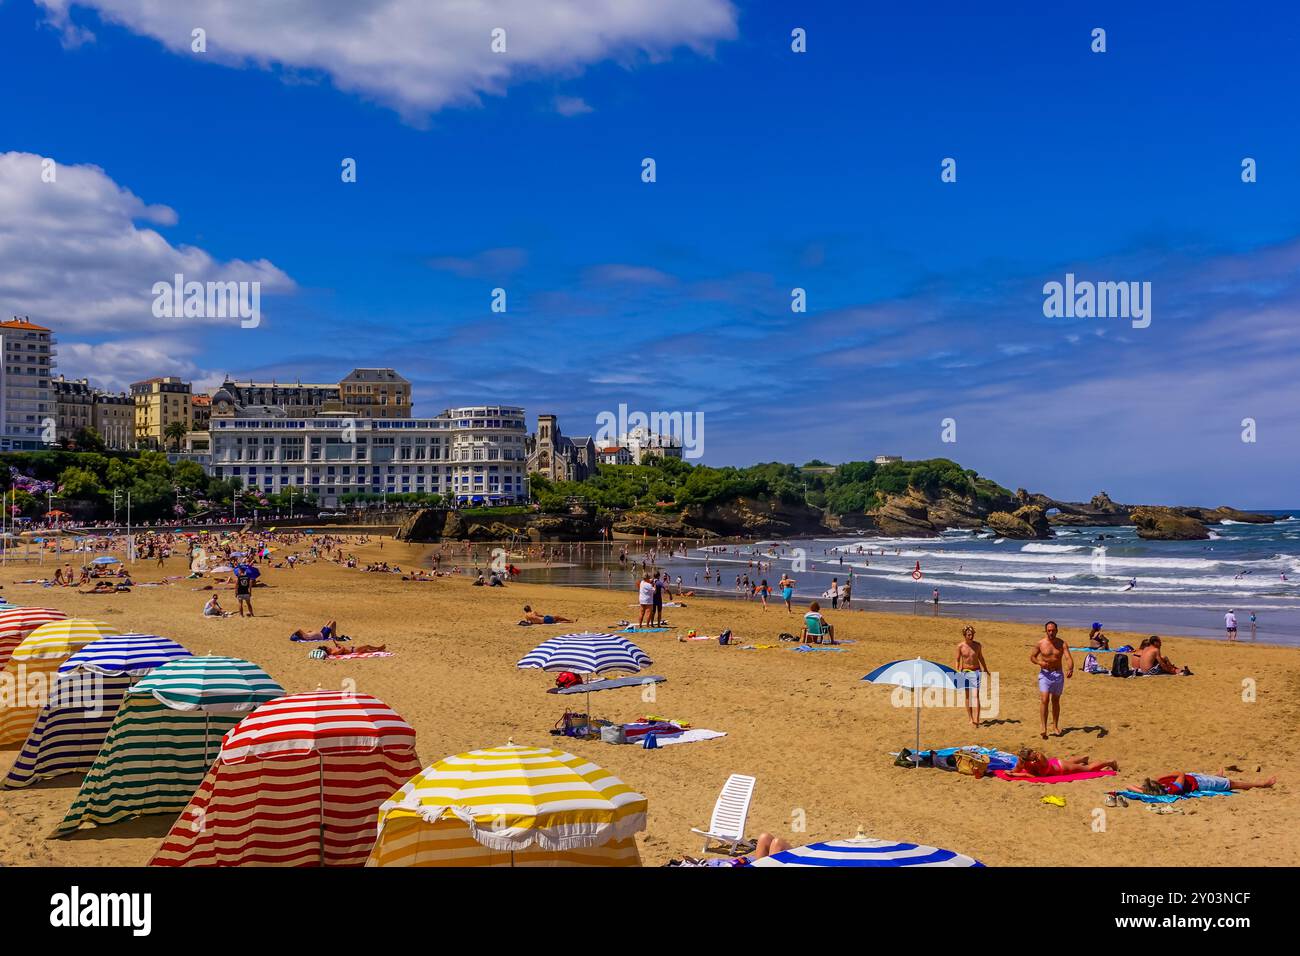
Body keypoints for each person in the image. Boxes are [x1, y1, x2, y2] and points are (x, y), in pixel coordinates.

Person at [1029, 620, 1073, 739]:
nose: (1051, 632)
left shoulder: (1062, 643)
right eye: (1049, 630)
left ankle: (1055, 726)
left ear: (1057, 631)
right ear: (1046, 631)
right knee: (1044, 699)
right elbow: (1032, 657)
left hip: (1058, 674)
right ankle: (1043, 727)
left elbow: (1068, 657)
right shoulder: (1041, 643)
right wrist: (1039, 662)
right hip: (1045, 674)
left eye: (1053, 630)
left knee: (1055, 701)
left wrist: (1070, 668)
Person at [954, 625, 989, 727]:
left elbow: (981, 658)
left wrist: (985, 669)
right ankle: (970, 719)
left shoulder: (977, 645)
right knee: (968, 697)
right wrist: (957, 671)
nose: (971, 636)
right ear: (965, 635)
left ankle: (977, 720)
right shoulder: (960, 646)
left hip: (976, 671)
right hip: (965, 672)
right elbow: (957, 659)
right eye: (969, 635)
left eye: (972, 634)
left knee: (976, 696)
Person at [1009, 748, 1118, 778]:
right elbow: (1015, 770)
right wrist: (1012, 772)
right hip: (1056, 765)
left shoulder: (1040, 759)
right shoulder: (1022, 760)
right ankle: (1082, 759)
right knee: (1072, 764)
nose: (1035, 753)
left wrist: (1015, 774)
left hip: (1061, 769)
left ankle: (1109, 762)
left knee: (1088, 769)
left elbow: (1032, 775)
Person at [1144, 771, 1276, 796]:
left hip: (1194, 778)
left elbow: (1131, 787)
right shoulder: (1173, 789)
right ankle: (1262, 785)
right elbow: (1181, 773)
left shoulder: (1159, 786)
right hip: (1201, 784)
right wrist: (1163, 776)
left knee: (1214, 778)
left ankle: (1217, 777)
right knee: (1232, 783)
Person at [317, 639, 386, 657]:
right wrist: (339, 646)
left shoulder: (332, 650)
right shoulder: (333, 652)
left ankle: (378, 650)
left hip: (353, 649)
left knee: (367, 650)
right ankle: (379, 648)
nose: (329, 647)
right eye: (327, 647)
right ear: (326, 650)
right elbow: (342, 649)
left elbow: (340, 647)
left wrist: (337, 644)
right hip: (353, 650)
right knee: (367, 646)